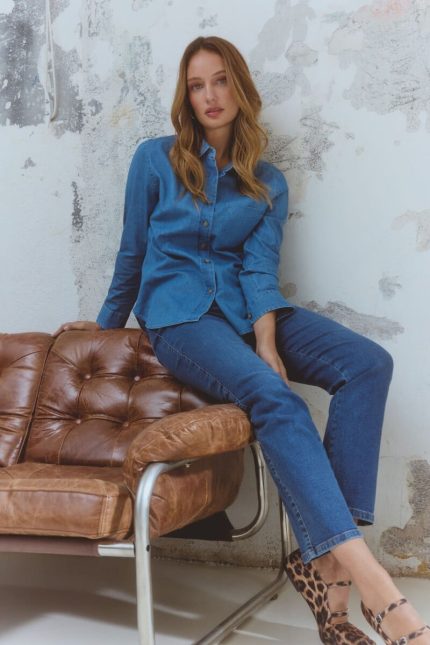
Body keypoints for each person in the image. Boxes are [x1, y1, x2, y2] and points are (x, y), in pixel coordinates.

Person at [52, 36, 430, 645]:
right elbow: (132, 253)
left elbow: (258, 271)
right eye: (197, 85)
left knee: (366, 364)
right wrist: (104, 330)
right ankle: (372, 586)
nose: (210, 95)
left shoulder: (267, 181)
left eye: (221, 80)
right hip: (180, 319)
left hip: (243, 309)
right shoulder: (154, 159)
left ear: (241, 88)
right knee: (275, 398)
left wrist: (268, 343)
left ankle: (326, 565)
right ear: (186, 97)